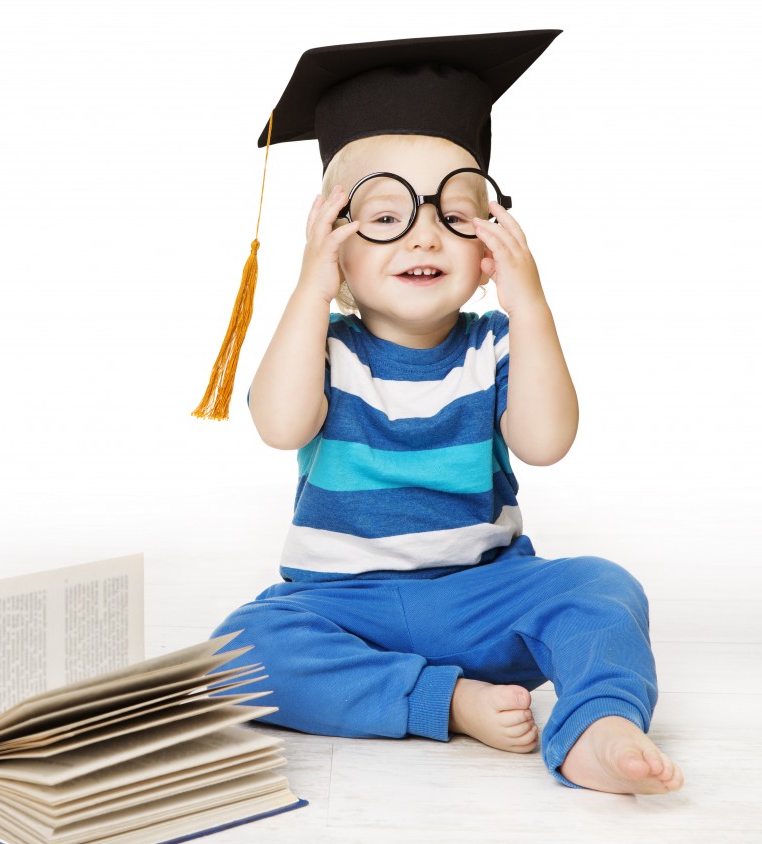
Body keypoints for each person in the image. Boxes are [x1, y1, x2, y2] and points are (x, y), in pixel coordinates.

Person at [205, 30, 684, 795]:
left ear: (490, 239)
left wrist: (529, 303)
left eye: (455, 213)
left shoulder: (493, 345)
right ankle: (443, 700)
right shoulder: (324, 346)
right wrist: (306, 288)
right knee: (239, 652)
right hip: (341, 605)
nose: (424, 232)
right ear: (335, 244)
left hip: (483, 596)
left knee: (601, 587)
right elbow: (280, 424)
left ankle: (598, 723)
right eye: (384, 215)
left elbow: (547, 440)